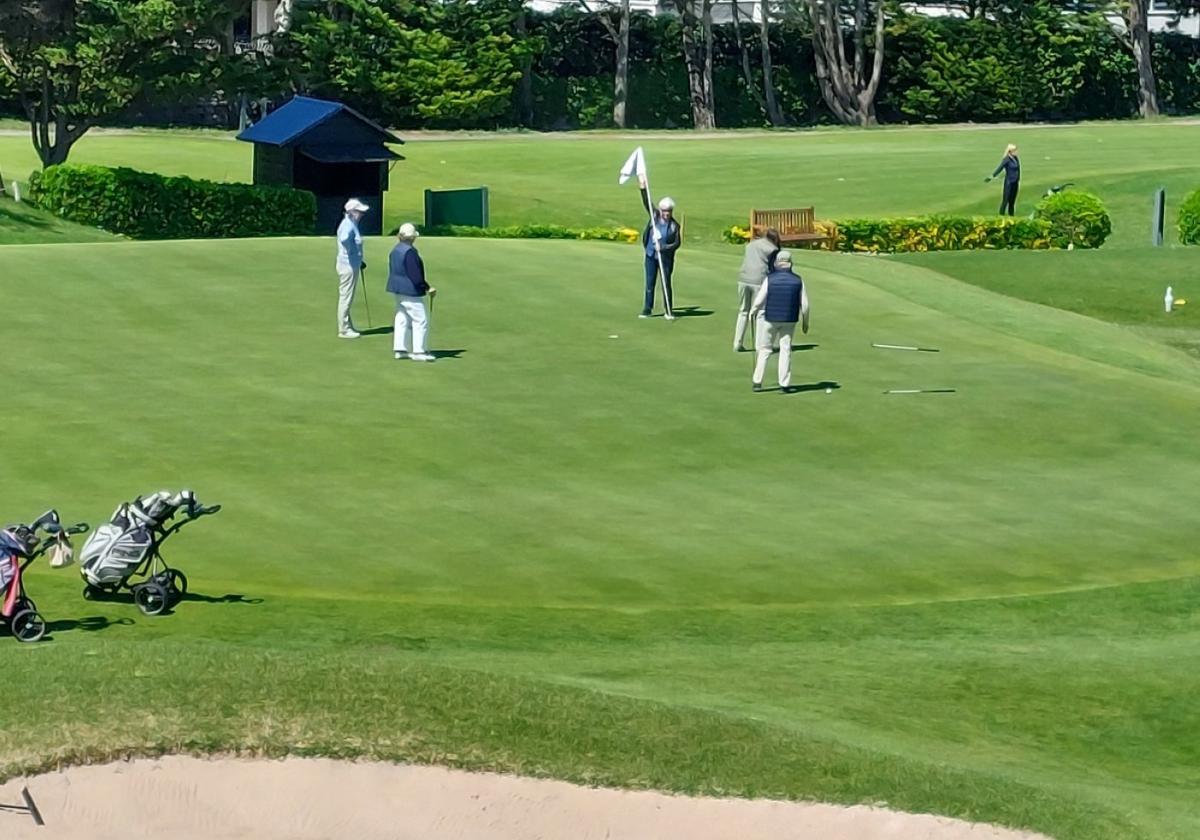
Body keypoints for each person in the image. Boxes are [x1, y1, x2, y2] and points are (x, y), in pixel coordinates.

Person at [749, 250, 809, 393]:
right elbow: (805, 305)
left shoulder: (770, 279)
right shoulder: (798, 279)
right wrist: (805, 323)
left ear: (777, 263)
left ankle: (757, 382)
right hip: (789, 319)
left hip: (770, 319)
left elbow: (760, 299)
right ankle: (784, 384)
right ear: (790, 263)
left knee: (764, 350)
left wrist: (753, 311)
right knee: (785, 349)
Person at [386, 223, 436, 362]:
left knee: (402, 318)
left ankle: (400, 349)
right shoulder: (410, 252)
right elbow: (415, 275)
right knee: (420, 320)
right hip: (410, 291)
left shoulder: (395, 250)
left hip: (397, 290)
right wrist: (427, 287)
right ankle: (419, 351)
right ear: (412, 238)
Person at [637, 173, 681, 320]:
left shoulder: (674, 226)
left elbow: (676, 243)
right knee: (650, 283)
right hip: (651, 255)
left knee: (665, 283)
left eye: (668, 211)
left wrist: (663, 248)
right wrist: (643, 187)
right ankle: (647, 309)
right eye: (664, 211)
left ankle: (668, 310)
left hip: (665, 259)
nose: (666, 214)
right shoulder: (654, 217)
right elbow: (646, 202)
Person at [734, 228, 781, 352]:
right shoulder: (773, 249)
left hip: (743, 278)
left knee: (743, 311)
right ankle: (759, 346)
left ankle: (737, 343)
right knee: (760, 313)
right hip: (759, 281)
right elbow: (773, 269)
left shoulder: (751, 244)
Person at [335, 198, 369, 339]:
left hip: (351, 264)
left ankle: (347, 325)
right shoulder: (348, 225)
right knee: (346, 298)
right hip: (347, 266)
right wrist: (351, 253)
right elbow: (344, 239)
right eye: (359, 211)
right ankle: (344, 329)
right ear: (351, 212)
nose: (361, 214)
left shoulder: (351, 223)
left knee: (347, 297)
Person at [986, 144, 1021, 216]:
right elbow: (1000, 168)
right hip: (1009, 183)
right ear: (1010, 151)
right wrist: (992, 176)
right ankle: (1001, 216)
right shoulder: (1007, 159)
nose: (1017, 152)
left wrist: (1018, 178)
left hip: (1015, 182)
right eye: (1015, 150)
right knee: (1005, 201)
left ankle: (1012, 217)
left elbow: (1018, 169)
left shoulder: (1016, 158)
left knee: (1012, 202)